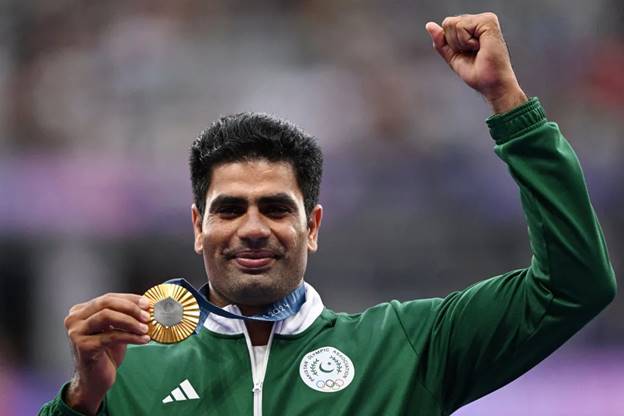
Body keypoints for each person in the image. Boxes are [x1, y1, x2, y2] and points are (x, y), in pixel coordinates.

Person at [40, 12, 616, 416]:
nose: (253, 228)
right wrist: (81, 401)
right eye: (230, 209)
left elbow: (574, 284)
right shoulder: (126, 376)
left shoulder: (406, 348)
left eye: (275, 208)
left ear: (311, 227)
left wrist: (508, 105)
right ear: (198, 227)